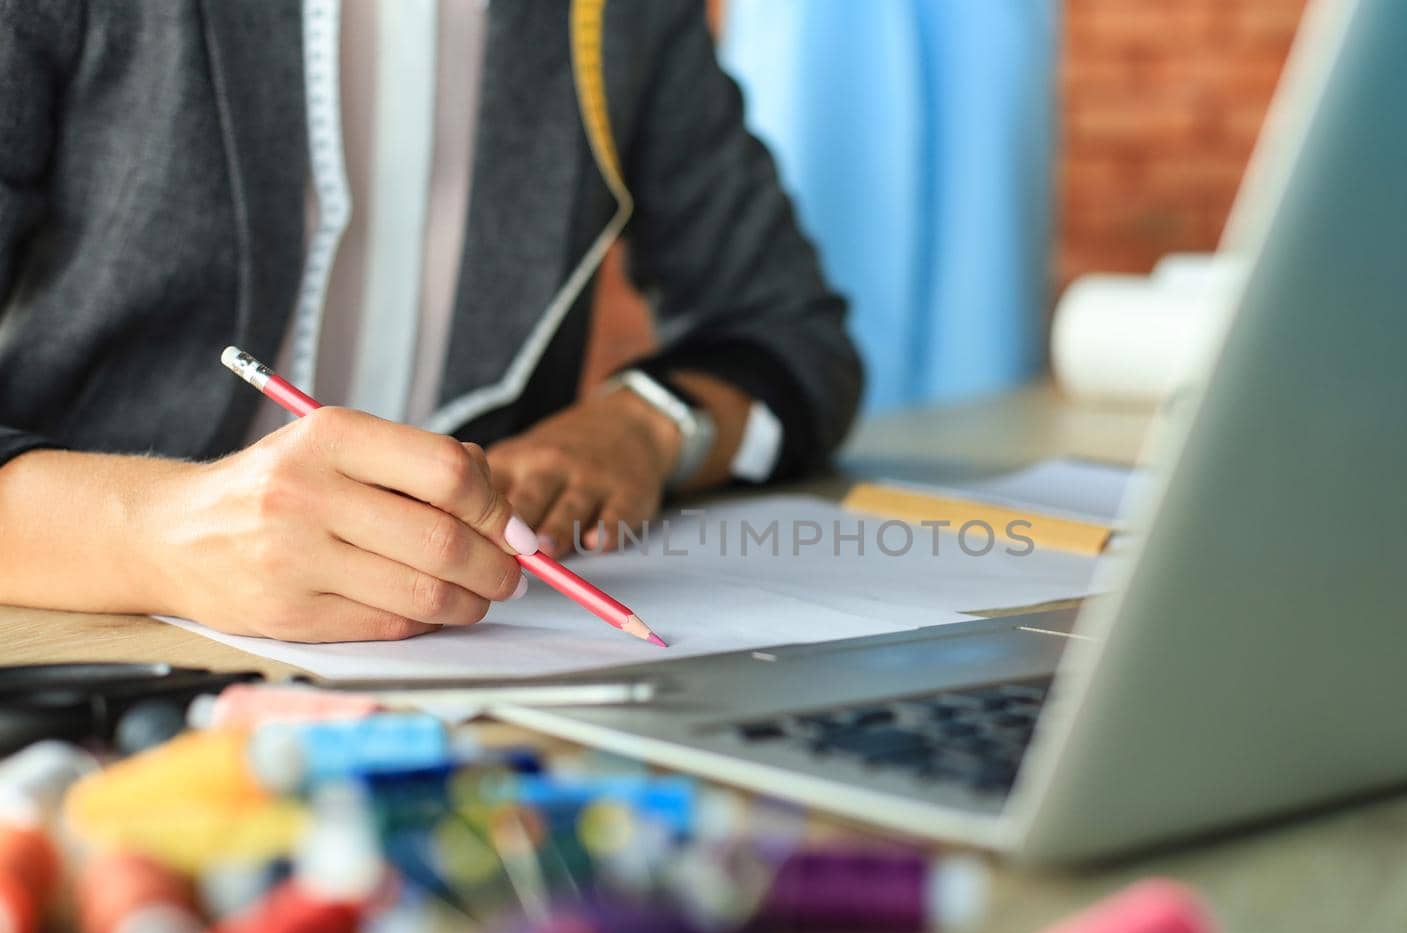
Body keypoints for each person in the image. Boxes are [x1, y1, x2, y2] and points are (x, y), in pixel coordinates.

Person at [0, 0, 861, 642]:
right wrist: (159, 536)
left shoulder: (613, 18)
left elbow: (794, 337)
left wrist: (648, 423)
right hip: (90, 663)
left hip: (484, 674)